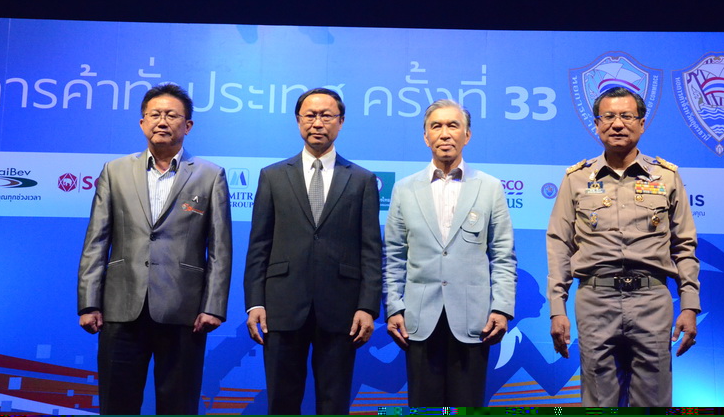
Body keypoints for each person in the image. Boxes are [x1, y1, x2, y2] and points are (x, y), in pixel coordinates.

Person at [77, 83, 232, 415]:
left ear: (188, 125)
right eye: (155, 114)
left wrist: (214, 307)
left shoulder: (210, 175)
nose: (162, 121)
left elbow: (220, 248)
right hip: (121, 307)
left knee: (179, 406)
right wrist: (89, 302)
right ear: (142, 122)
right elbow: (96, 240)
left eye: (172, 115)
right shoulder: (115, 171)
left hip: (184, 311)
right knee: (117, 406)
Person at [546, 86, 700, 406]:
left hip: (651, 299)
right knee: (598, 402)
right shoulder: (576, 179)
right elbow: (560, 245)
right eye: (609, 117)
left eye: (627, 116)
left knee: (653, 403)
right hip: (595, 300)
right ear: (597, 124)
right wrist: (557, 309)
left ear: (642, 124)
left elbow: (684, 246)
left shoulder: (667, 177)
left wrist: (689, 305)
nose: (617, 124)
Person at [244, 87, 382, 414]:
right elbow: (259, 245)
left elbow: (371, 250)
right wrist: (255, 302)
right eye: (310, 115)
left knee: (334, 403)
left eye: (326, 116)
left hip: (342, 308)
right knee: (281, 402)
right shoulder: (272, 176)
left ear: (341, 122)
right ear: (298, 121)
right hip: (281, 306)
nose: (317, 123)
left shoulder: (362, 180)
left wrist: (367, 306)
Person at [384, 99, 517, 407]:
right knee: (424, 409)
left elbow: (503, 254)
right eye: (436, 126)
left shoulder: (490, 187)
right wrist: (393, 308)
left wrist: (501, 308)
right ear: (426, 137)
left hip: (475, 321)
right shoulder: (404, 189)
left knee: (468, 408)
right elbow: (393, 255)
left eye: (453, 125)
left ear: (467, 135)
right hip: (418, 320)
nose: (445, 133)